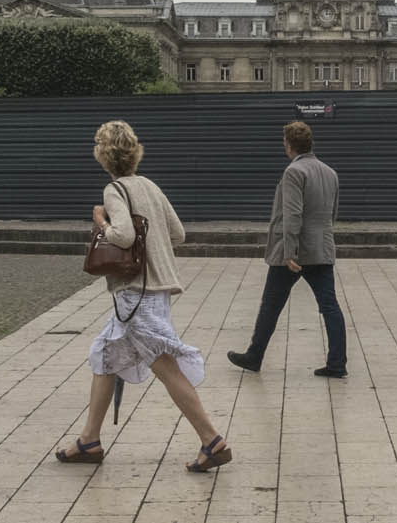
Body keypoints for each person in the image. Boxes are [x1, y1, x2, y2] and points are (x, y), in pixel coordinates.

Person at [57, 120, 232, 472]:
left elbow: (121, 236)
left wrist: (101, 222)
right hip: (155, 292)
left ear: (103, 156)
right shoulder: (149, 186)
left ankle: (212, 440)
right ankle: (89, 439)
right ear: (134, 152)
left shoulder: (115, 191)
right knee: (104, 355)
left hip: (135, 296)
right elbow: (178, 233)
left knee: (165, 367)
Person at [227, 121, 346, 378]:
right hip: (322, 249)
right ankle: (338, 363)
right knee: (330, 306)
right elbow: (333, 214)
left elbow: (292, 213)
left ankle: (254, 356)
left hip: (293, 253)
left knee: (271, 304)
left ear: (288, 145)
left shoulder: (294, 172)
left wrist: (289, 251)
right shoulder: (330, 172)